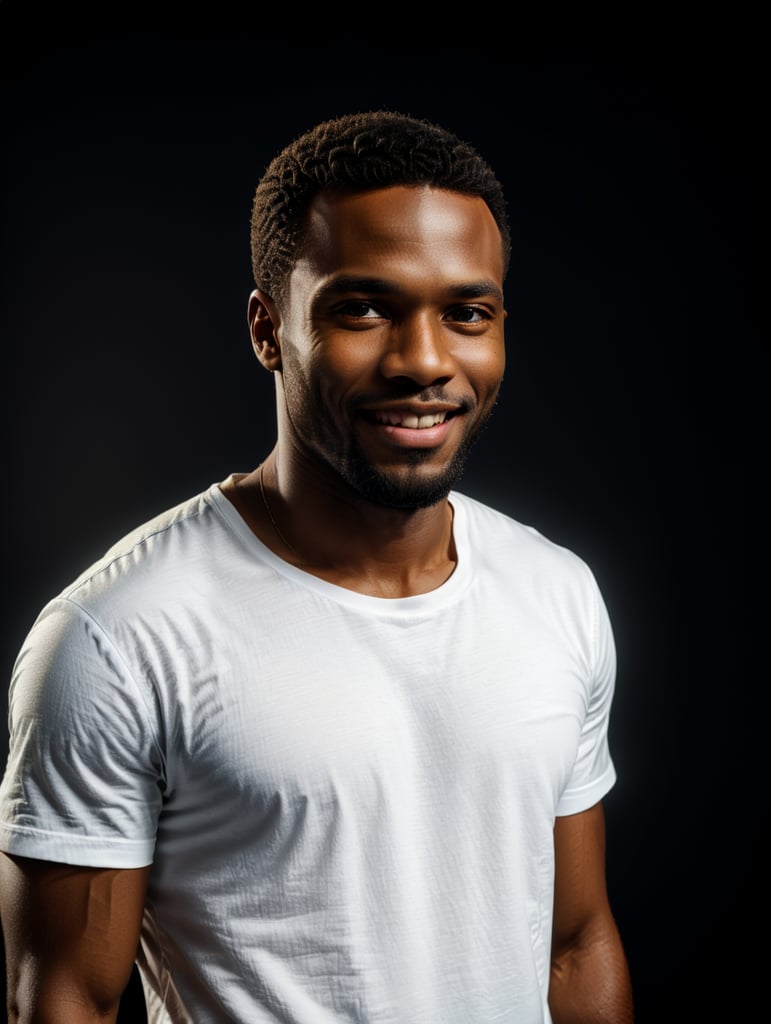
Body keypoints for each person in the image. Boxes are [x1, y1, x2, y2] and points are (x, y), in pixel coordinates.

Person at [0, 110, 634, 1023]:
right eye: (365, 308)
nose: (424, 361)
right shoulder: (116, 640)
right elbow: (65, 1000)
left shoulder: (557, 593)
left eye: (465, 313)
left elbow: (575, 947)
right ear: (269, 328)